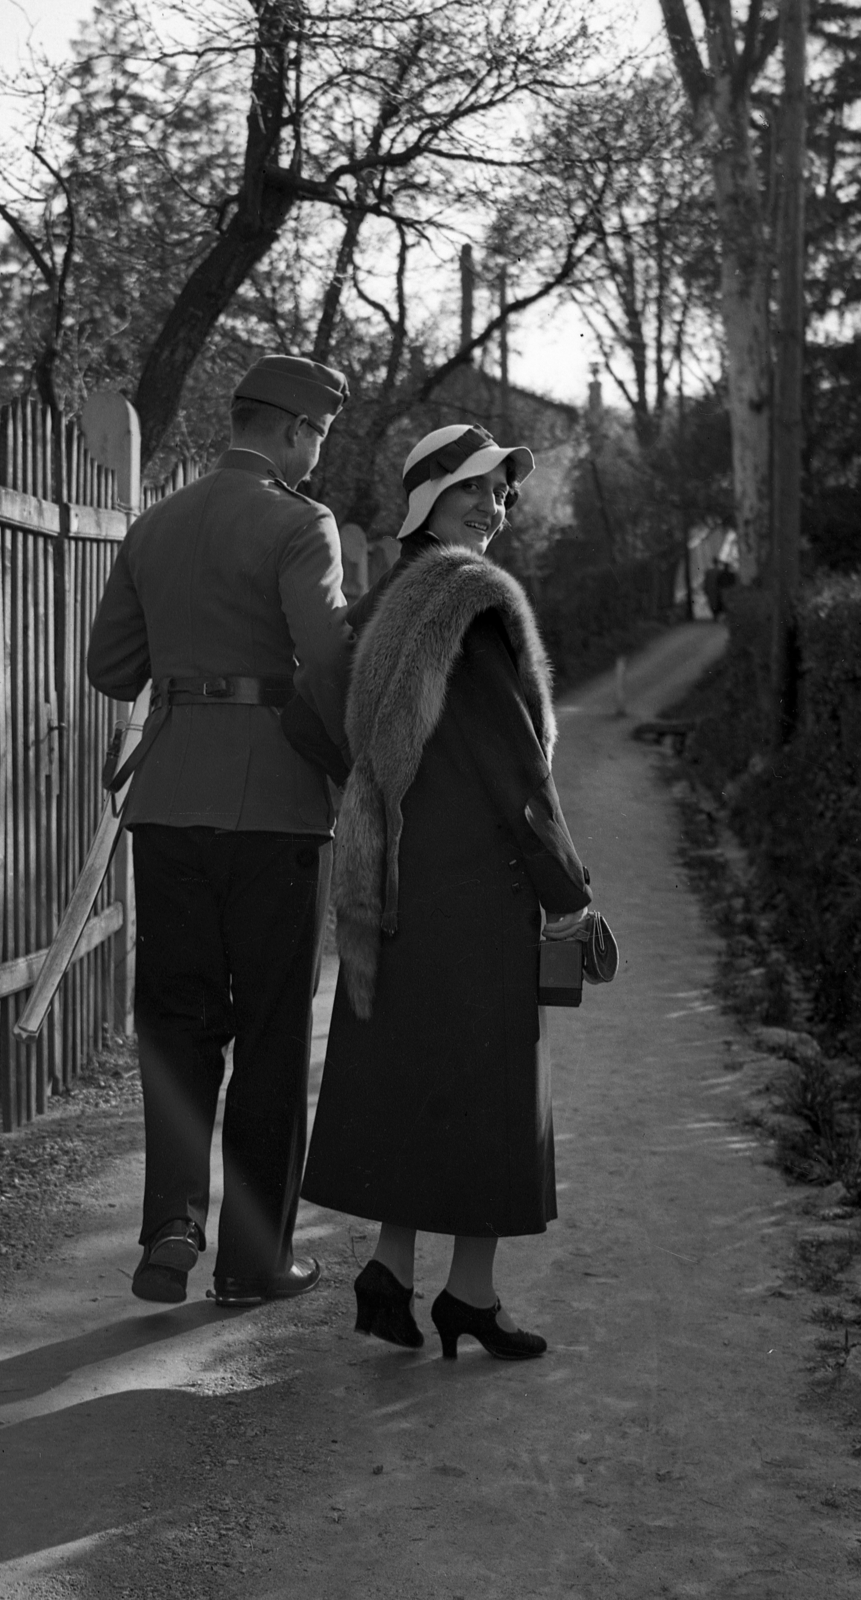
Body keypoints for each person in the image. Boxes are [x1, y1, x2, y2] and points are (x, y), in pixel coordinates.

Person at [301, 423, 593, 1360]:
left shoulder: (385, 598)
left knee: (412, 1077)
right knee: (487, 1093)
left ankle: (392, 1268)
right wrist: (566, 885)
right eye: (476, 488)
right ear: (428, 491)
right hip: (475, 890)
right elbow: (516, 768)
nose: (494, 509)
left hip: (394, 878)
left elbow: (320, 710)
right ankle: (470, 1296)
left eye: (502, 496)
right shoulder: (471, 601)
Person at [87, 354, 353, 1309]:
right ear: (290, 432)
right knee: (274, 1033)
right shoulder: (299, 523)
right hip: (276, 808)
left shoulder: (154, 524)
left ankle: (168, 1228)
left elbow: (111, 667)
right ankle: (251, 1261)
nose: (317, 457)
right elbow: (327, 662)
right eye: (316, 438)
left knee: (176, 1027)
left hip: (165, 804)